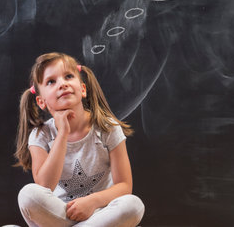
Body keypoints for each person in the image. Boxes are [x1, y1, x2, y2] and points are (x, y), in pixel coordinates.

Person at [14, 52, 145, 227]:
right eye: (51, 81)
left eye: (68, 76)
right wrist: (62, 134)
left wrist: (92, 202)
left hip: (102, 214)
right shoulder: (41, 135)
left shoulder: (108, 127)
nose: (63, 84)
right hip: (60, 214)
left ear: (82, 89)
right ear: (41, 102)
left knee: (133, 206)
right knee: (28, 194)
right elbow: (45, 186)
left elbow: (124, 186)